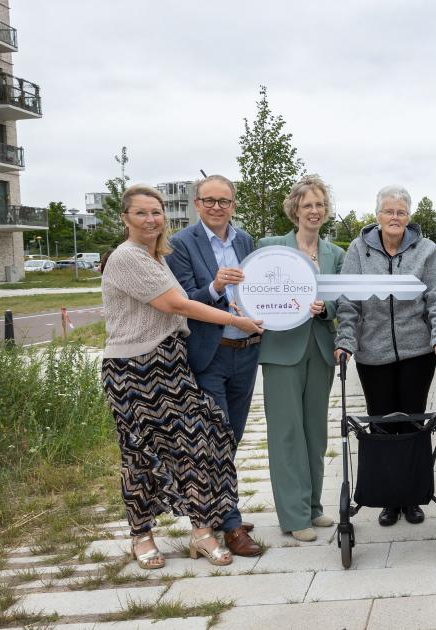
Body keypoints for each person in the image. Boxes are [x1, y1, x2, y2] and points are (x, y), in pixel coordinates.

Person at [101, 184, 263, 570]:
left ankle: (203, 531)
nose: (151, 220)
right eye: (141, 213)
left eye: (156, 212)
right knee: (141, 456)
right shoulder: (127, 258)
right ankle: (141, 537)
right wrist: (234, 319)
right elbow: (176, 303)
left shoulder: (155, 256)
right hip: (134, 369)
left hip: (171, 364)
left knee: (200, 444)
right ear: (125, 218)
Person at [334, 184, 436, 527]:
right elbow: (348, 302)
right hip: (373, 355)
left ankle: (413, 496)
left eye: (401, 212)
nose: (395, 217)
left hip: (417, 353)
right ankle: (389, 497)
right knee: (382, 425)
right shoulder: (358, 250)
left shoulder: (427, 250)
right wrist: (345, 341)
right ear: (378, 216)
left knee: (414, 424)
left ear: (408, 216)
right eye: (389, 211)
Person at [166, 174, 263, 557]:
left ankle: (220, 509)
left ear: (233, 204)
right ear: (197, 204)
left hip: (247, 351)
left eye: (225, 201)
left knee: (233, 435)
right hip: (211, 353)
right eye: (210, 200)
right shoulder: (181, 244)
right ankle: (232, 527)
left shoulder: (245, 241)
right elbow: (183, 298)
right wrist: (216, 287)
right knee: (215, 438)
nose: (218, 207)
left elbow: (256, 291)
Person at [257, 175, 345, 542]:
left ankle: (313, 507)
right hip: (281, 350)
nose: (314, 210)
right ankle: (293, 516)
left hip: (320, 347)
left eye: (320, 205)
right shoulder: (271, 247)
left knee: (315, 432)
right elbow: (253, 289)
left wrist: (327, 308)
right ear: (295, 209)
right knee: (286, 433)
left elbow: (342, 299)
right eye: (307, 204)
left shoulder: (335, 254)